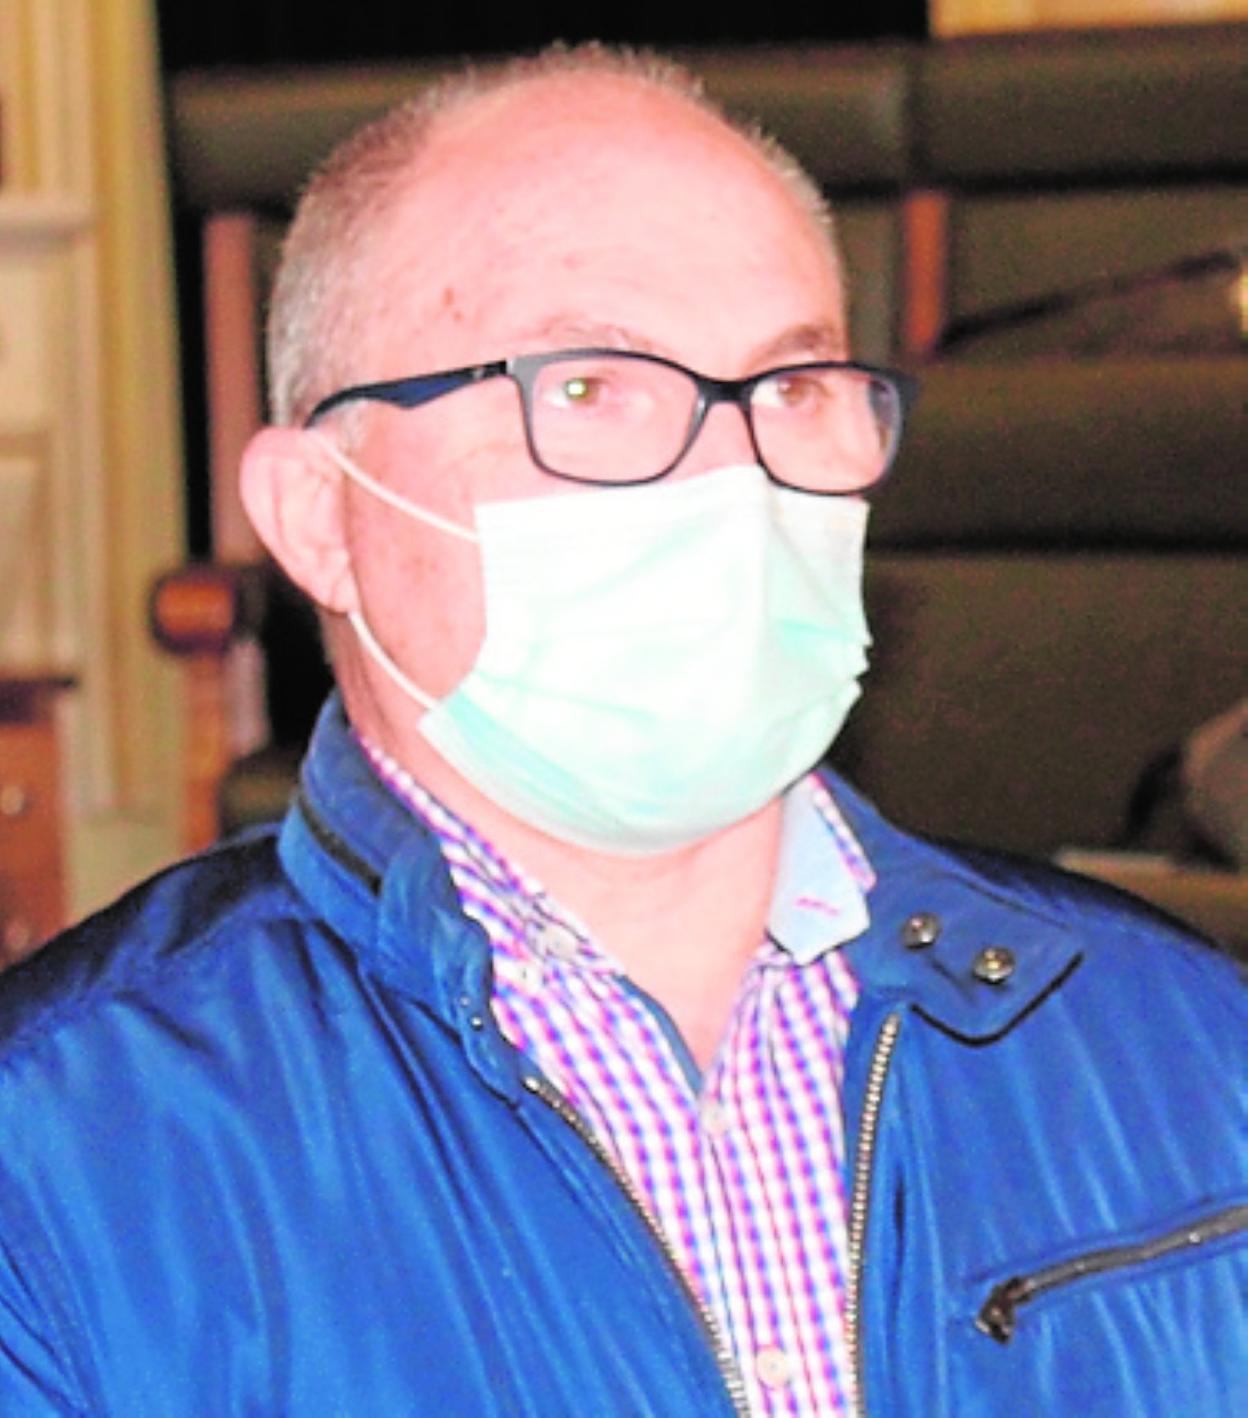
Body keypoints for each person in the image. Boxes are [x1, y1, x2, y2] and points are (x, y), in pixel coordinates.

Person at [0, 43, 1243, 1418]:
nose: (735, 476)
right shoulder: (55, 1162)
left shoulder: (1187, 1040)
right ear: (319, 514)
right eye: (589, 390)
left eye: (794, 388)